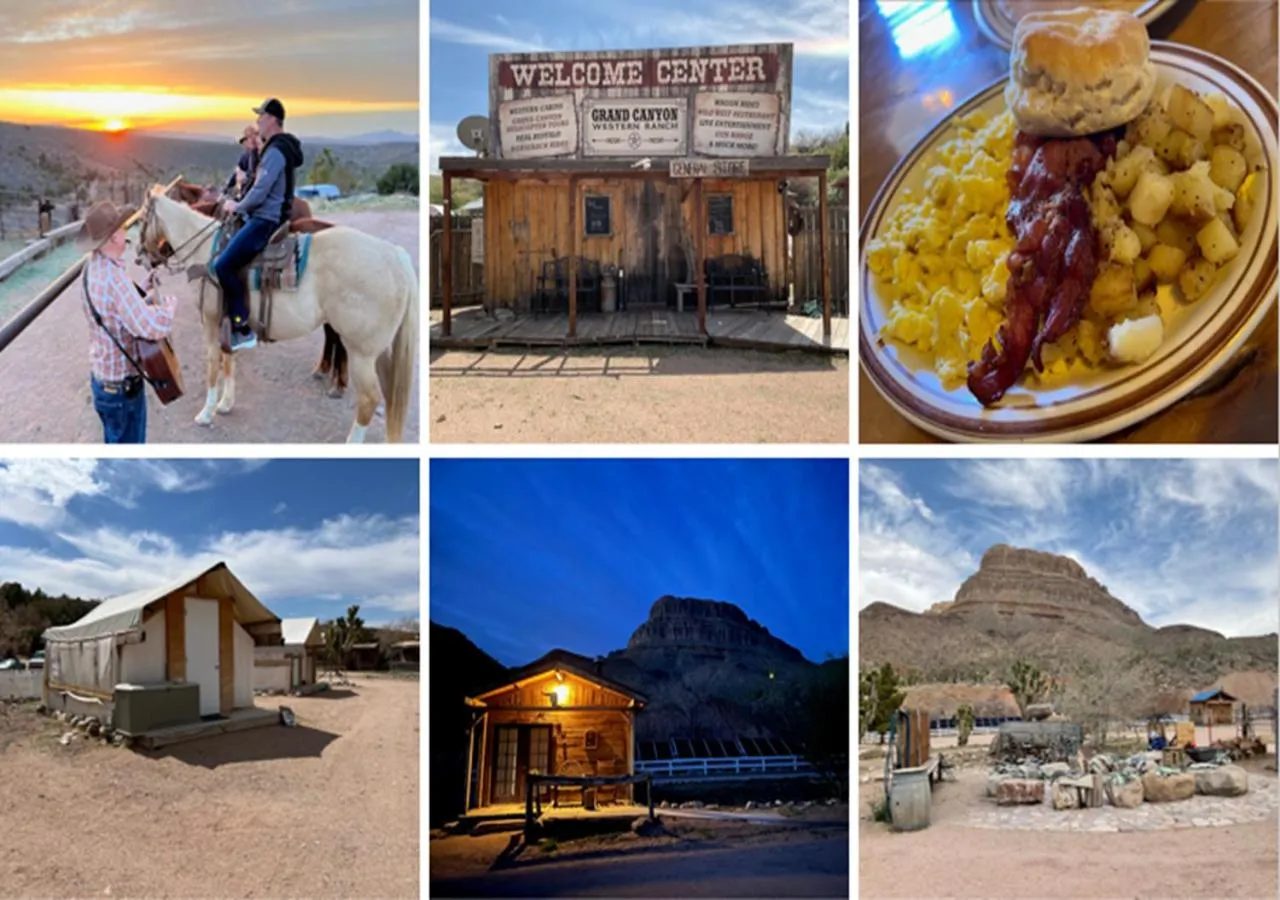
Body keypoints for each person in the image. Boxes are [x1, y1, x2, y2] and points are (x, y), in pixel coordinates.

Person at [78, 200, 178, 443]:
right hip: (123, 391)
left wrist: (140, 290)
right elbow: (149, 327)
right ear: (113, 237)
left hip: (103, 382)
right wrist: (168, 310)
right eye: (122, 228)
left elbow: (115, 310)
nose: (126, 232)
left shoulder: (91, 268)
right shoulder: (114, 278)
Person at [213, 98, 304, 352]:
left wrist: (237, 206)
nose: (257, 122)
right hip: (266, 215)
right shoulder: (278, 149)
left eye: (260, 117)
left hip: (264, 219)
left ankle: (242, 328)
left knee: (223, 266)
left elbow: (261, 190)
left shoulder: (275, 152)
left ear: (272, 119)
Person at [224, 124, 261, 199]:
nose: (245, 144)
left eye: (248, 138)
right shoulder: (246, 156)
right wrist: (226, 189)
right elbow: (237, 172)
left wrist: (244, 175)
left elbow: (254, 174)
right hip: (246, 191)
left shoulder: (261, 153)